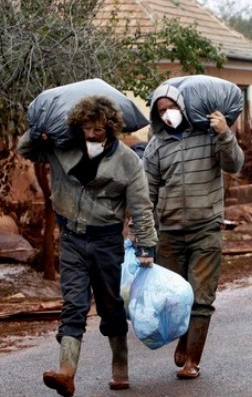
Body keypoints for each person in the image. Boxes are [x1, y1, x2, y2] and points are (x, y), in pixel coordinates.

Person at [18, 95, 157, 397]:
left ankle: (120, 367)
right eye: (86, 128)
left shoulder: (128, 161)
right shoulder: (63, 148)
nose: (92, 135)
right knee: (74, 305)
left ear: (111, 128)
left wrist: (146, 246)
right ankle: (66, 374)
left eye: (98, 129)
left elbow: (141, 207)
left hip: (107, 242)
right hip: (72, 239)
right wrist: (38, 132)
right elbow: (25, 149)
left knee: (110, 306)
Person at [143, 85, 244, 379]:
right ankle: (184, 339)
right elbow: (146, 195)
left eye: (171, 107)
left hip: (206, 229)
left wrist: (225, 133)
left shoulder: (209, 137)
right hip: (169, 234)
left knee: (201, 297)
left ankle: (193, 361)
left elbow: (234, 164)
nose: (167, 114)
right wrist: (144, 236)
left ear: (183, 107)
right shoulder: (156, 146)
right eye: (161, 110)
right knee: (174, 297)